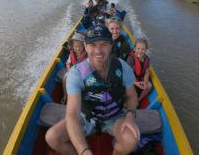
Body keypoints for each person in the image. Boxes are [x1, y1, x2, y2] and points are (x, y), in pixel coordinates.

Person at [45, 25, 140, 155]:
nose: (98, 50)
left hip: (115, 116)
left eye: (104, 44)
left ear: (111, 45)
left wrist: (130, 116)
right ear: (85, 46)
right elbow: (72, 114)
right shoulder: (76, 73)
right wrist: (83, 151)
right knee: (52, 137)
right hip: (86, 117)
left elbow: (131, 96)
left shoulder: (123, 68)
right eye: (92, 45)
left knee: (131, 140)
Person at [61, 32, 87, 103]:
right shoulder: (72, 54)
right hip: (73, 71)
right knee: (65, 78)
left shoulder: (87, 54)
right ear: (73, 47)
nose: (78, 48)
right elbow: (68, 63)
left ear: (84, 46)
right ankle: (65, 96)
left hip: (84, 73)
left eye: (80, 46)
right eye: (76, 46)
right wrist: (69, 70)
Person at [127, 38, 152, 103]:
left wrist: (145, 83)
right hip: (131, 78)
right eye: (138, 49)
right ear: (135, 49)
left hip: (140, 78)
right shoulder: (131, 59)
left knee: (149, 86)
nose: (140, 51)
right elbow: (128, 74)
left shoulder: (147, 59)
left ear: (146, 50)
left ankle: (138, 100)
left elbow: (146, 72)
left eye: (143, 49)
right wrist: (136, 83)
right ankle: (128, 101)